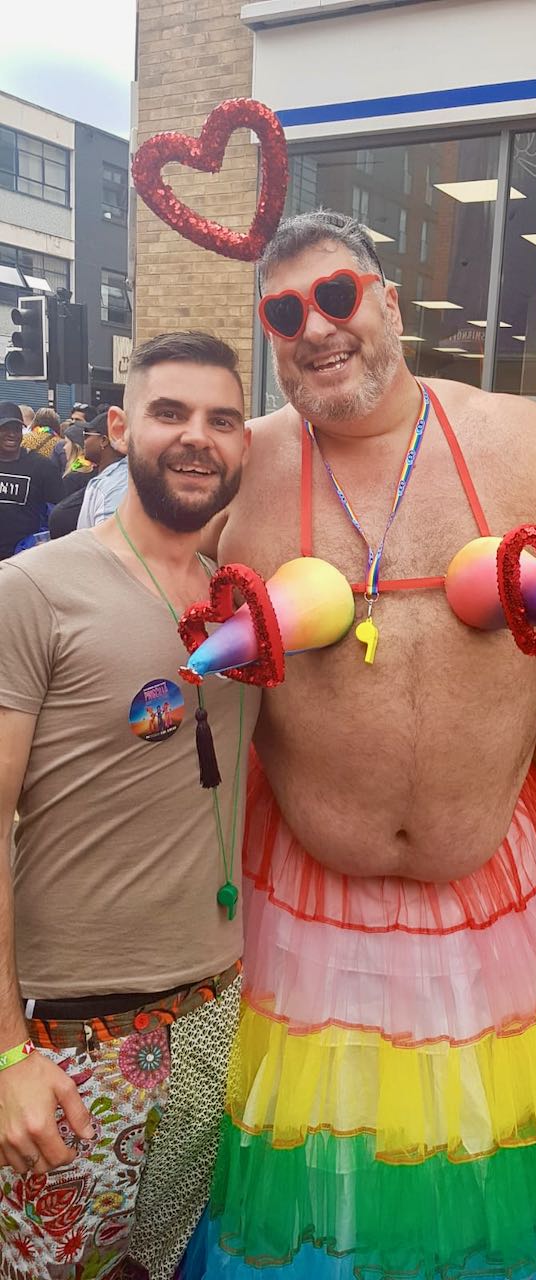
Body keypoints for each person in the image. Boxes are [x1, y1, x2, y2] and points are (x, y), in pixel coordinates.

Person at [184, 212, 536, 1279]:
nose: (315, 327)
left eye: (338, 295)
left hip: (508, 913)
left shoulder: (523, 436)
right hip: (297, 928)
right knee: (314, 1207)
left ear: (388, 300)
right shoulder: (241, 466)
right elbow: (136, 597)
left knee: (505, 1198)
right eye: (284, 312)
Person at [0, 332, 257, 1279]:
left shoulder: (243, 604)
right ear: (119, 428)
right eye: (170, 413)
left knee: (155, 1265)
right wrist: (6, 1057)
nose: (197, 438)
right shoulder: (34, 590)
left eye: (222, 420)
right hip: (68, 1032)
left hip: (212, 1013)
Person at [0, 401, 63, 559]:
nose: (12, 434)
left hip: (22, 558)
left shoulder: (42, 467)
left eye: (16, 429)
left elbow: (59, 511)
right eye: (5, 428)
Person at [76, 410, 129, 528]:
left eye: (87, 435)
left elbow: (111, 537)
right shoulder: (113, 477)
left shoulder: (115, 484)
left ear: (104, 441)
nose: (83, 441)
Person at [48, 423, 96, 539]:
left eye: (67, 442)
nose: (64, 448)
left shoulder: (73, 478)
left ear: (76, 446)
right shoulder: (93, 470)